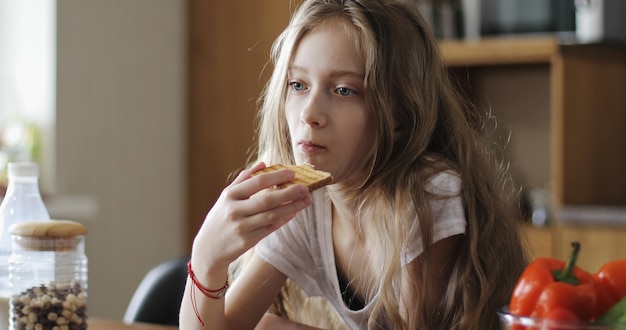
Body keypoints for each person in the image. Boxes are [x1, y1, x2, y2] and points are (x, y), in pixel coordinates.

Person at [180, 0, 529, 329]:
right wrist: (207, 258)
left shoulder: (427, 192)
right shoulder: (304, 202)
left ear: (399, 114)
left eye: (344, 90)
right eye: (298, 85)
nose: (309, 114)